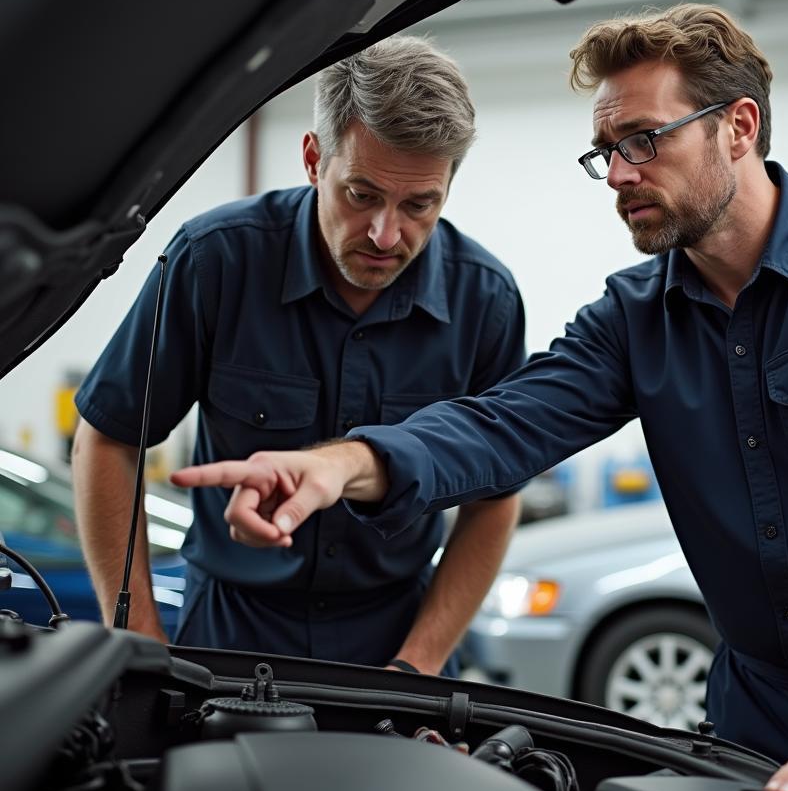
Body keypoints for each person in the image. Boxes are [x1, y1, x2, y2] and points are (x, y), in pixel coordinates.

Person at [172, 4, 788, 791]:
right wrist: (345, 464)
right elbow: (503, 423)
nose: (618, 174)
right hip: (757, 716)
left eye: (644, 141)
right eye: (607, 151)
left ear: (738, 126)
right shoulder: (633, 318)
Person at [72, 35, 524, 676]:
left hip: (397, 638)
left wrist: (416, 667)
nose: (386, 234)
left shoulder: (487, 300)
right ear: (315, 159)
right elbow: (106, 440)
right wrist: (141, 644)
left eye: (419, 205)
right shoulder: (215, 261)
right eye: (361, 194)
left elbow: (495, 496)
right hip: (229, 634)